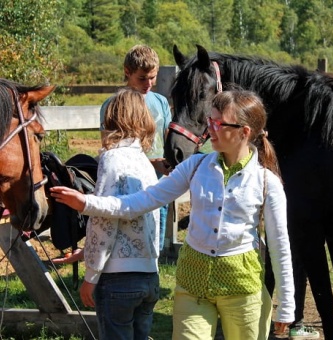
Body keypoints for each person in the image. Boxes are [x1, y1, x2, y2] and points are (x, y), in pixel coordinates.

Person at [51, 90, 295, 340]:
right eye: (209, 121)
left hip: (242, 286)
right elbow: (142, 201)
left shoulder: (266, 182)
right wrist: (87, 203)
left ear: (244, 132)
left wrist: (287, 305)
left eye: (218, 123)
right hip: (193, 282)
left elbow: (279, 245)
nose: (210, 129)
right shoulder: (196, 166)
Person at [78, 87, 160, 340]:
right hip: (149, 274)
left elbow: (105, 220)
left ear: (111, 118)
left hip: (118, 277)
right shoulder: (145, 163)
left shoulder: (112, 158)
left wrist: (91, 275)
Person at [100, 44, 171, 251]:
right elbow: (109, 148)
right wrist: (152, 163)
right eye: (142, 78)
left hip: (158, 182)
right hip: (127, 183)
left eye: (153, 77)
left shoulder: (161, 102)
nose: (149, 84)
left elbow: (166, 139)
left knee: (157, 229)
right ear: (127, 72)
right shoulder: (112, 105)